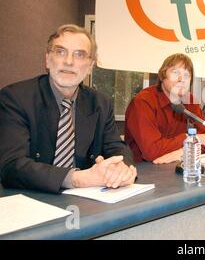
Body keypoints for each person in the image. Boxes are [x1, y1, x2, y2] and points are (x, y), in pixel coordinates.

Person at [0, 24, 137, 194]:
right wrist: (77, 179)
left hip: (85, 202)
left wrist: (122, 168)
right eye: (60, 52)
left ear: (90, 66)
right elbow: (12, 166)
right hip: (29, 199)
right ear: (48, 60)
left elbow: (116, 147)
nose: (69, 61)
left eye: (79, 55)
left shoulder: (101, 103)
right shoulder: (15, 98)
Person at [125, 53, 205, 164]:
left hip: (177, 167)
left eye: (187, 75)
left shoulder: (190, 100)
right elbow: (152, 151)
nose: (181, 79)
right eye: (175, 73)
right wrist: (187, 139)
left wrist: (180, 153)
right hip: (142, 172)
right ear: (163, 76)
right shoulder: (143, 102)